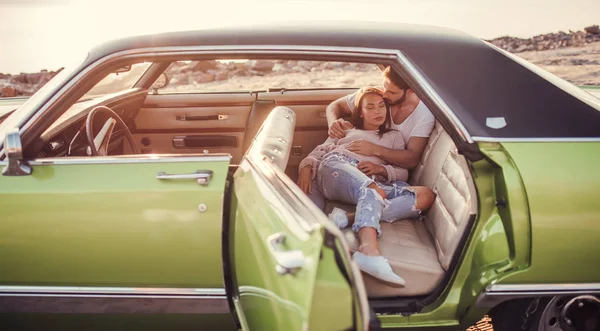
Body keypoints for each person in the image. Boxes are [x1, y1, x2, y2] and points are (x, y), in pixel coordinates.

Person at [297, 87, 434, 287]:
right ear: (361, 112)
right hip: (336, 167)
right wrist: (306, 166)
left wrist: (379, 168)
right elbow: (322, 150)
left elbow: (403, 171)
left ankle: (346, 217)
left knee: (425, 195)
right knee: (370, 189)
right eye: (370, 107)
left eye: (381, 106)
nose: (378, 111)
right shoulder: (348, 130)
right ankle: (369, 252)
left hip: (370, 183)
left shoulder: (394, 137)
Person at [326, 66, 435, 170]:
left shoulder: (423, 115)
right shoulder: (376, 96)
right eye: (385, 87)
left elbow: (412, 159)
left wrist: (374, 150)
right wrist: (333, 123)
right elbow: (335, 106)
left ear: (411, 91)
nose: (384, 95)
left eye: (392, 92)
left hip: (384, 171)